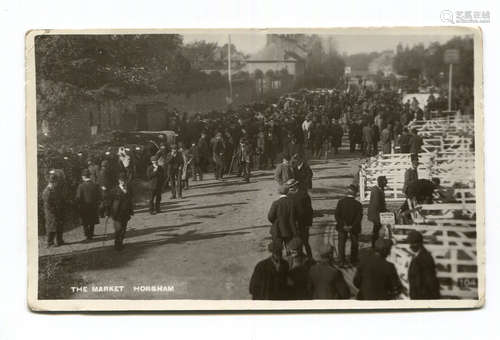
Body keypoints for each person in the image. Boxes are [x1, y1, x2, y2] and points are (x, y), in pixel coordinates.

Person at [406, 230, 441, 300]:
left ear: (419, 243)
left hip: (423, 297)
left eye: (413, 243)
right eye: (410, 243)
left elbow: (429, 281)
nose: (410, 246)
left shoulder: (424, 258)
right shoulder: (418, 256)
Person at [334, 185, 363, 267]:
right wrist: (352, 226)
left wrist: (343, 225)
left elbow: (337, 215)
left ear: (347, 192)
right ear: (355, 194)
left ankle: (341, 260)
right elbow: (359, 217)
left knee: (341, 243)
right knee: (354, 243)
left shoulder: (341, 202)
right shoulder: (358, 204)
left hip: (342, 227)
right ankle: (353, 260)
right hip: (354, 228)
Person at [286, 179, 313, 258]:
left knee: (305, 242)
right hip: (293, 225)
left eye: (291, 186)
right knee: (295, 244)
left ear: (296, 185)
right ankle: (298, 260)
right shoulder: (288, 196)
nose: (290, 188)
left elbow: (309, 210)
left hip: (303, 224)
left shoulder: (304, 195)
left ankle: (310, 259)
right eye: (289, 187)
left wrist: (309, 223)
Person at [267, 184, 298, 250]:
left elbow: (270, 216)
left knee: (277, 249)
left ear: (279, 192)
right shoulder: (292, 202)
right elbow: (295, 216)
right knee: (290, 248)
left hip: (277, 229)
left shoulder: (276, 203)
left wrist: (275, 222)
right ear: (288, 192)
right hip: (289, 229)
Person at [108, 173, 134, 251]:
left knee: (123, 229)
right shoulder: (114, 190)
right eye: (122, 181)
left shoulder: (129, 189)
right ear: (119, 181)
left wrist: (130, 210)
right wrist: (108, 212)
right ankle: (117, 244)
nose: (123, 182)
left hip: (125, 213)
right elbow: (110, 202)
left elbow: (131, 200)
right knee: (118, 230)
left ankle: (121, 243)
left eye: (125, 180)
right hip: (117, 214)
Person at [75, 169, 101, 240]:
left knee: (85, 220)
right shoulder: (95, 185)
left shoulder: (81, 186)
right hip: (93, 205)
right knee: (92, 219)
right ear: (89, 176)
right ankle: (91, 233)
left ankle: (87, 234)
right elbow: (98, 195)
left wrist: (77, 204)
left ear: (83, 176)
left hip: (84, 206)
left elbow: (78, 197)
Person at [42, 174, 65, 247]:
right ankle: (49, 242)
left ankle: (59, 241)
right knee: (51, 227)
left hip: (56, 211)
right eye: (55, 182)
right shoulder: (47, 191)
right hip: (51, 213)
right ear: (52, 182)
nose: (56, 184)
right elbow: (48, 204)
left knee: (58, 226)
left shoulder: (54, 189)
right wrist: (55, 210)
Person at [367, 176, 388, 248]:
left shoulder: (378, 189)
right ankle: (374, 245)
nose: (386, 184)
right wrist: (384, 211)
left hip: (377, 213)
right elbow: (377, 204)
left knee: (376, 229)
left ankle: (374, 244)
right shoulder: (376, 190)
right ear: (381, 182)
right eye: (385, 182)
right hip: (376, 214)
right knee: (376, 229)